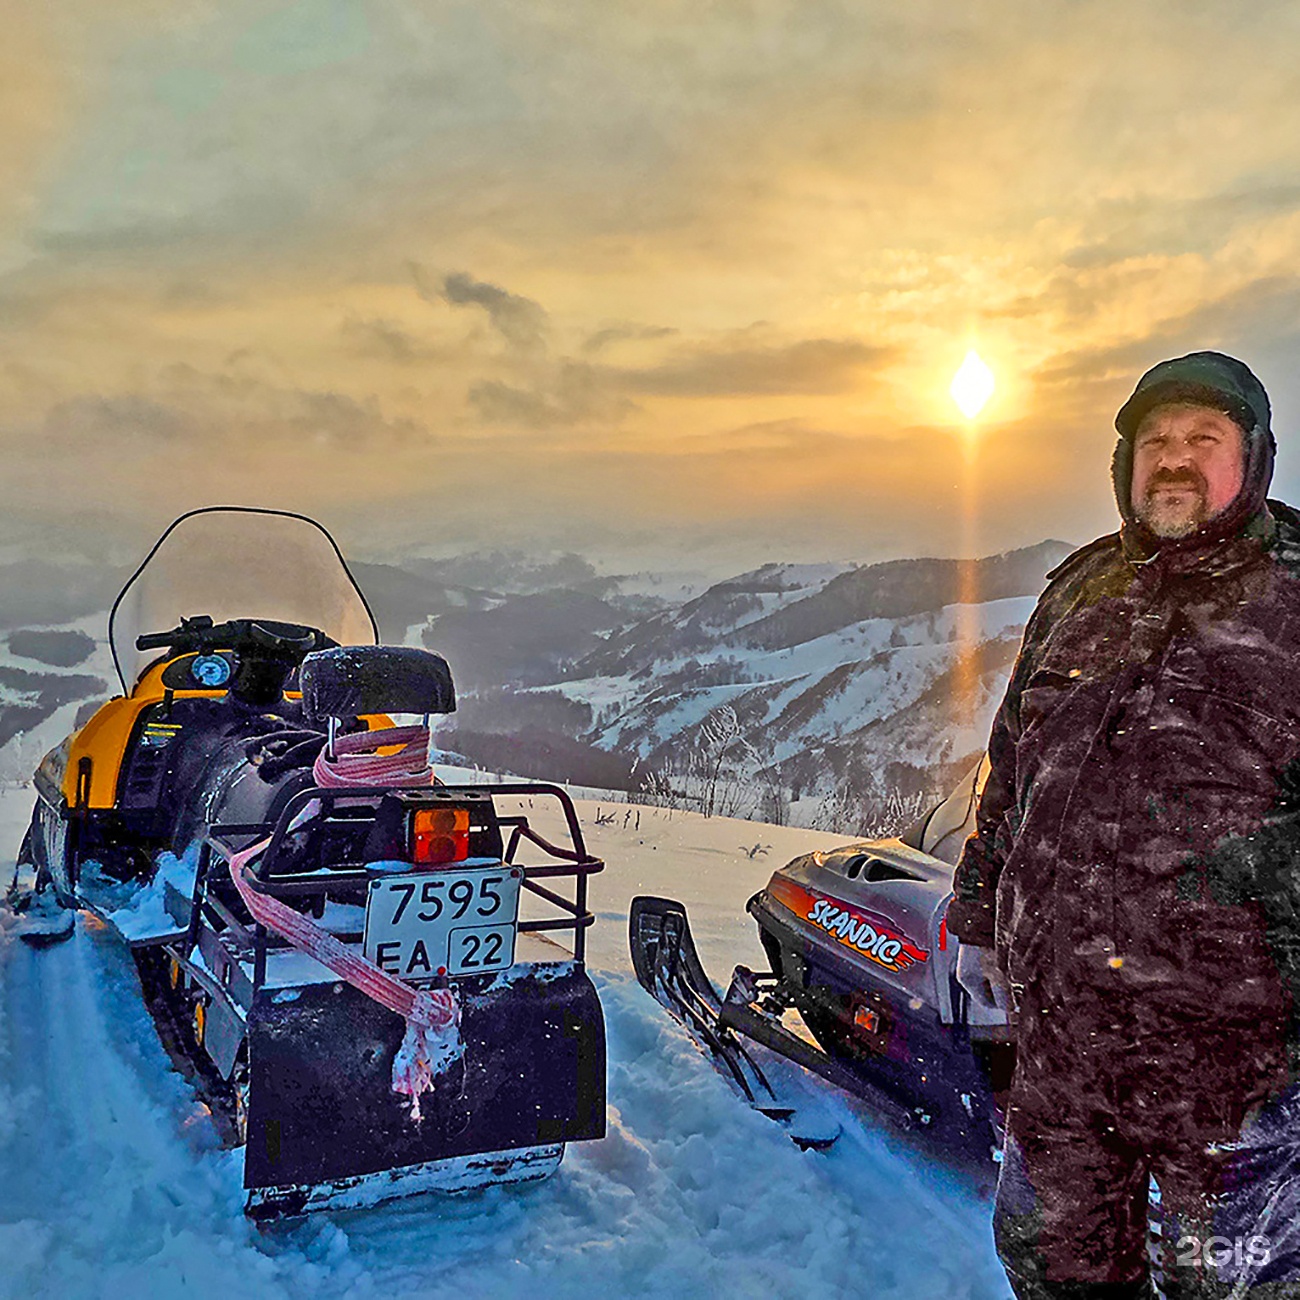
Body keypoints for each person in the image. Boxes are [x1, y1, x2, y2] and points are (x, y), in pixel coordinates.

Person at [947, 352, 1300, 1299]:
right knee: (1053, 1269)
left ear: (1252, 459)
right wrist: (977, 920)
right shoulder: (1080, 592)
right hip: (1065, 1047)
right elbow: (1013, 768)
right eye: (1155, 443)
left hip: (1240, 1077)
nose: (1175, 461)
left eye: (1203, 440)